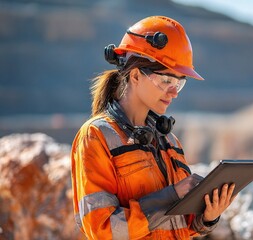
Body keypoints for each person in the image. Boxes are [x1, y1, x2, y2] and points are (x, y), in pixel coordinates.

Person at [70, 16, 236, 239]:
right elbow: (102, 230)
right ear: (136, 75)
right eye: (167, 81)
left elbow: (181, 225)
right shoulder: (96, 137)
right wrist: (171, 195)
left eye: (179, 83)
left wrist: (207, 217)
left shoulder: (169, 142)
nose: (174, 91)